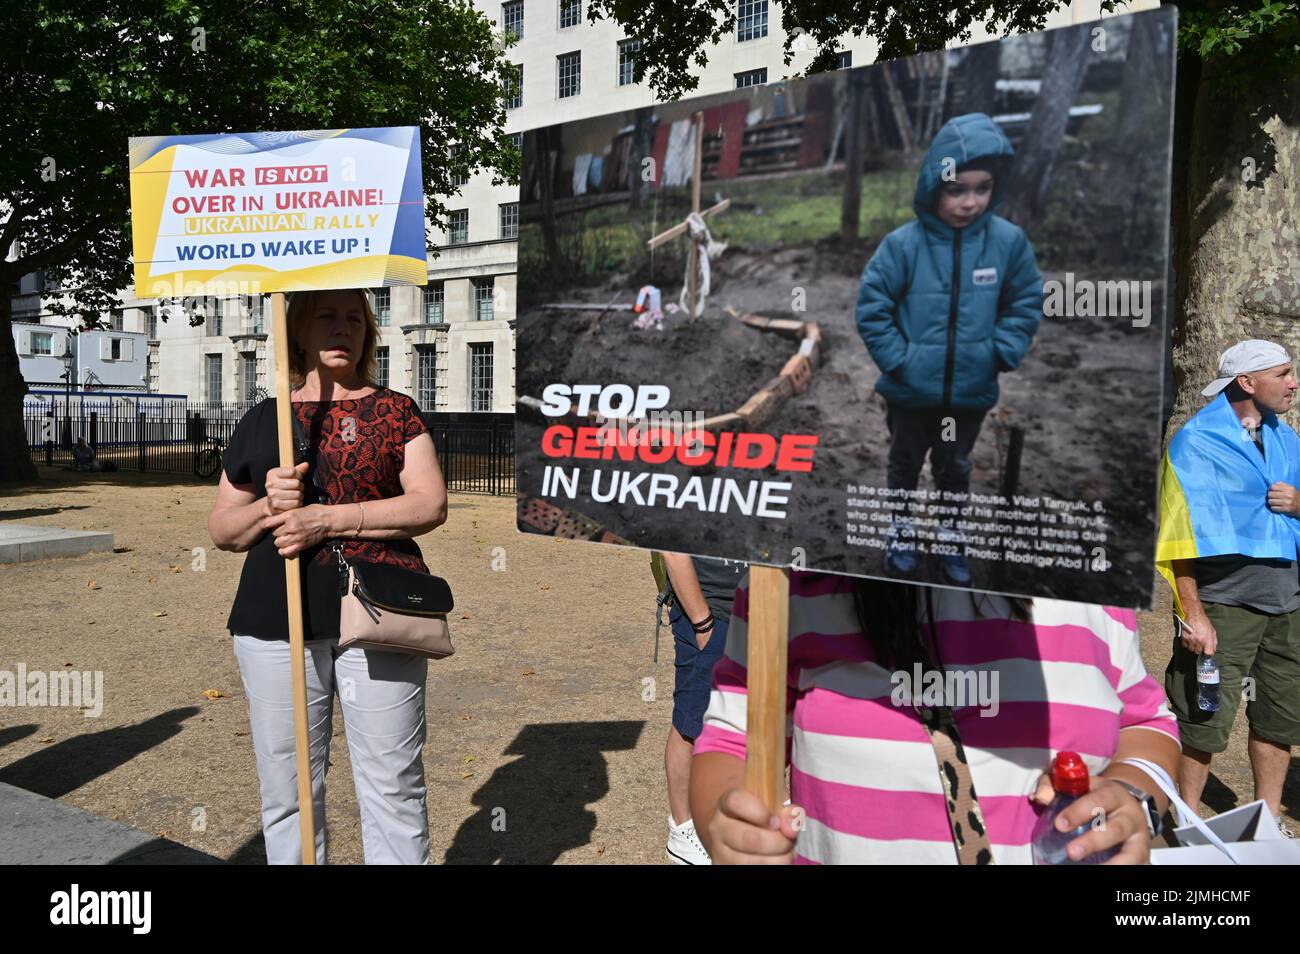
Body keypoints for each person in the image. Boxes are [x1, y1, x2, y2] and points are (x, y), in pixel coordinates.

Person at [689, 570, 1180, 864]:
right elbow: (731, 742)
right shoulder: (791, 582)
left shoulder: (1090, 584)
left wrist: (1132, 795)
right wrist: (725, 829)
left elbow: (1147, 724)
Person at [207, 287, 448, 864]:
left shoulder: (395, 411)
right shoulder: (265, 419)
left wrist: (326, 520)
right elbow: (222, 529)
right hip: (275, 619)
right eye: (327, 317)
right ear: (297, 330)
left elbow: (429, 504)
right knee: (289, 792)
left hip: (378, 612)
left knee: (392, 785)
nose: (344, 329)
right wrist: (270, 506)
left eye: (355, 319)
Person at [855, 112, 1043, 586]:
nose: (970, 201)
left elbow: (1025, 300)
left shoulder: (1008, 243)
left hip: (970, 392)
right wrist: (901, 361)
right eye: (957, 189)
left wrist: (998, 352)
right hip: (908, 392)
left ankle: (950, 533)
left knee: (955, 466)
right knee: (903, 462)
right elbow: (872, 306)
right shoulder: (902, 245)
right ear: (932, 185)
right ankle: (900, 529)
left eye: (981, 189)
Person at [1156, 339, 1300, 832]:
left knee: (1279, 720)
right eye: (1282, 374)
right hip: (1224, 605)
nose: (1293, 383)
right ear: (1246, 382)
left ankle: (1267, 818)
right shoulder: (1195, 443)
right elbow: (1177, 538)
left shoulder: (1288, 439)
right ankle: (1186, 819)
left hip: (1288, 603)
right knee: (1203, 719)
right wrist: (1191, 612)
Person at [659, 552, 746, 864]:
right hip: (710, 613)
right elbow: (672, 548)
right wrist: (702, 622)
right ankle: (682, 832)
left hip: (757, 608)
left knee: (747, 720)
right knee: (691, 723)